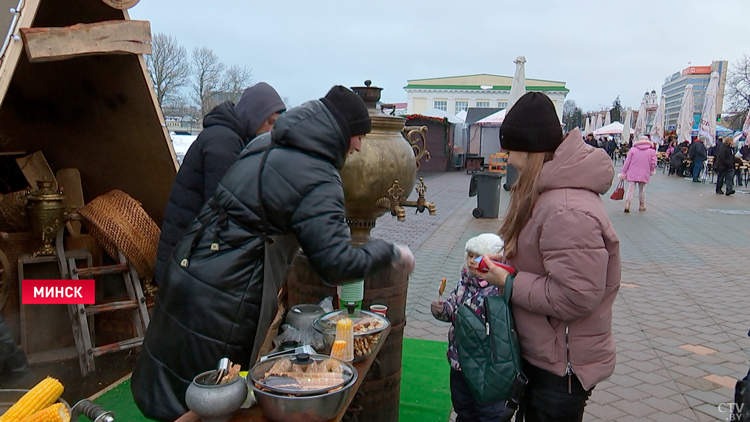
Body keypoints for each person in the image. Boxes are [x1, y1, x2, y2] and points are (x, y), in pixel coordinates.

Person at [131, 86, 417, 421]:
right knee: (213, 399)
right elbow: (335, 264)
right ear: (346, 132)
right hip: (228, 294)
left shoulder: (263, 143)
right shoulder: (317, 175)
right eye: (359, 137)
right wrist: (389, 252)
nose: (358, 147)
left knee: (180, 388)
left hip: (191, 268)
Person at [479, 92, 621, 422]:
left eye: (511, 149)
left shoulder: (566, 210)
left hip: (560, 369)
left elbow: (575, 296)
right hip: (547, 356)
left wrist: (508, 280)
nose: (508, 158)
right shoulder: (551, 195)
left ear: (531, 150)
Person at [154, 82, 286, 286]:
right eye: (269, 122)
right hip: (186, 262)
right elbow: (226, 209)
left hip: (187, 255)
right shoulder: (223, 143)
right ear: (254, 115)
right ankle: (84, 294)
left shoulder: (230, 138)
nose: (271, 130)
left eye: (275, 124)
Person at [430, 233, 506, 422]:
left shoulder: (498, 290)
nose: (472, 261)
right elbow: (451, 310)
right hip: (459, 362)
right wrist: (442, 309)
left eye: (478, 256)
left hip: (485, 367)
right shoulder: (464, 283)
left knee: (489, 413)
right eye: (470, 255)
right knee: (463, 409)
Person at [619, 135, 657, 212]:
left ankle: (627, 204)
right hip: (644, 173)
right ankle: (641, 205)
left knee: (630, 189)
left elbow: (627, 162)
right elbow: (653, 163)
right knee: (642, 189)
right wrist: (651, 170)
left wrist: (623, 172)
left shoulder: (633, 150)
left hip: (632, 172)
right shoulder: (652, 151)